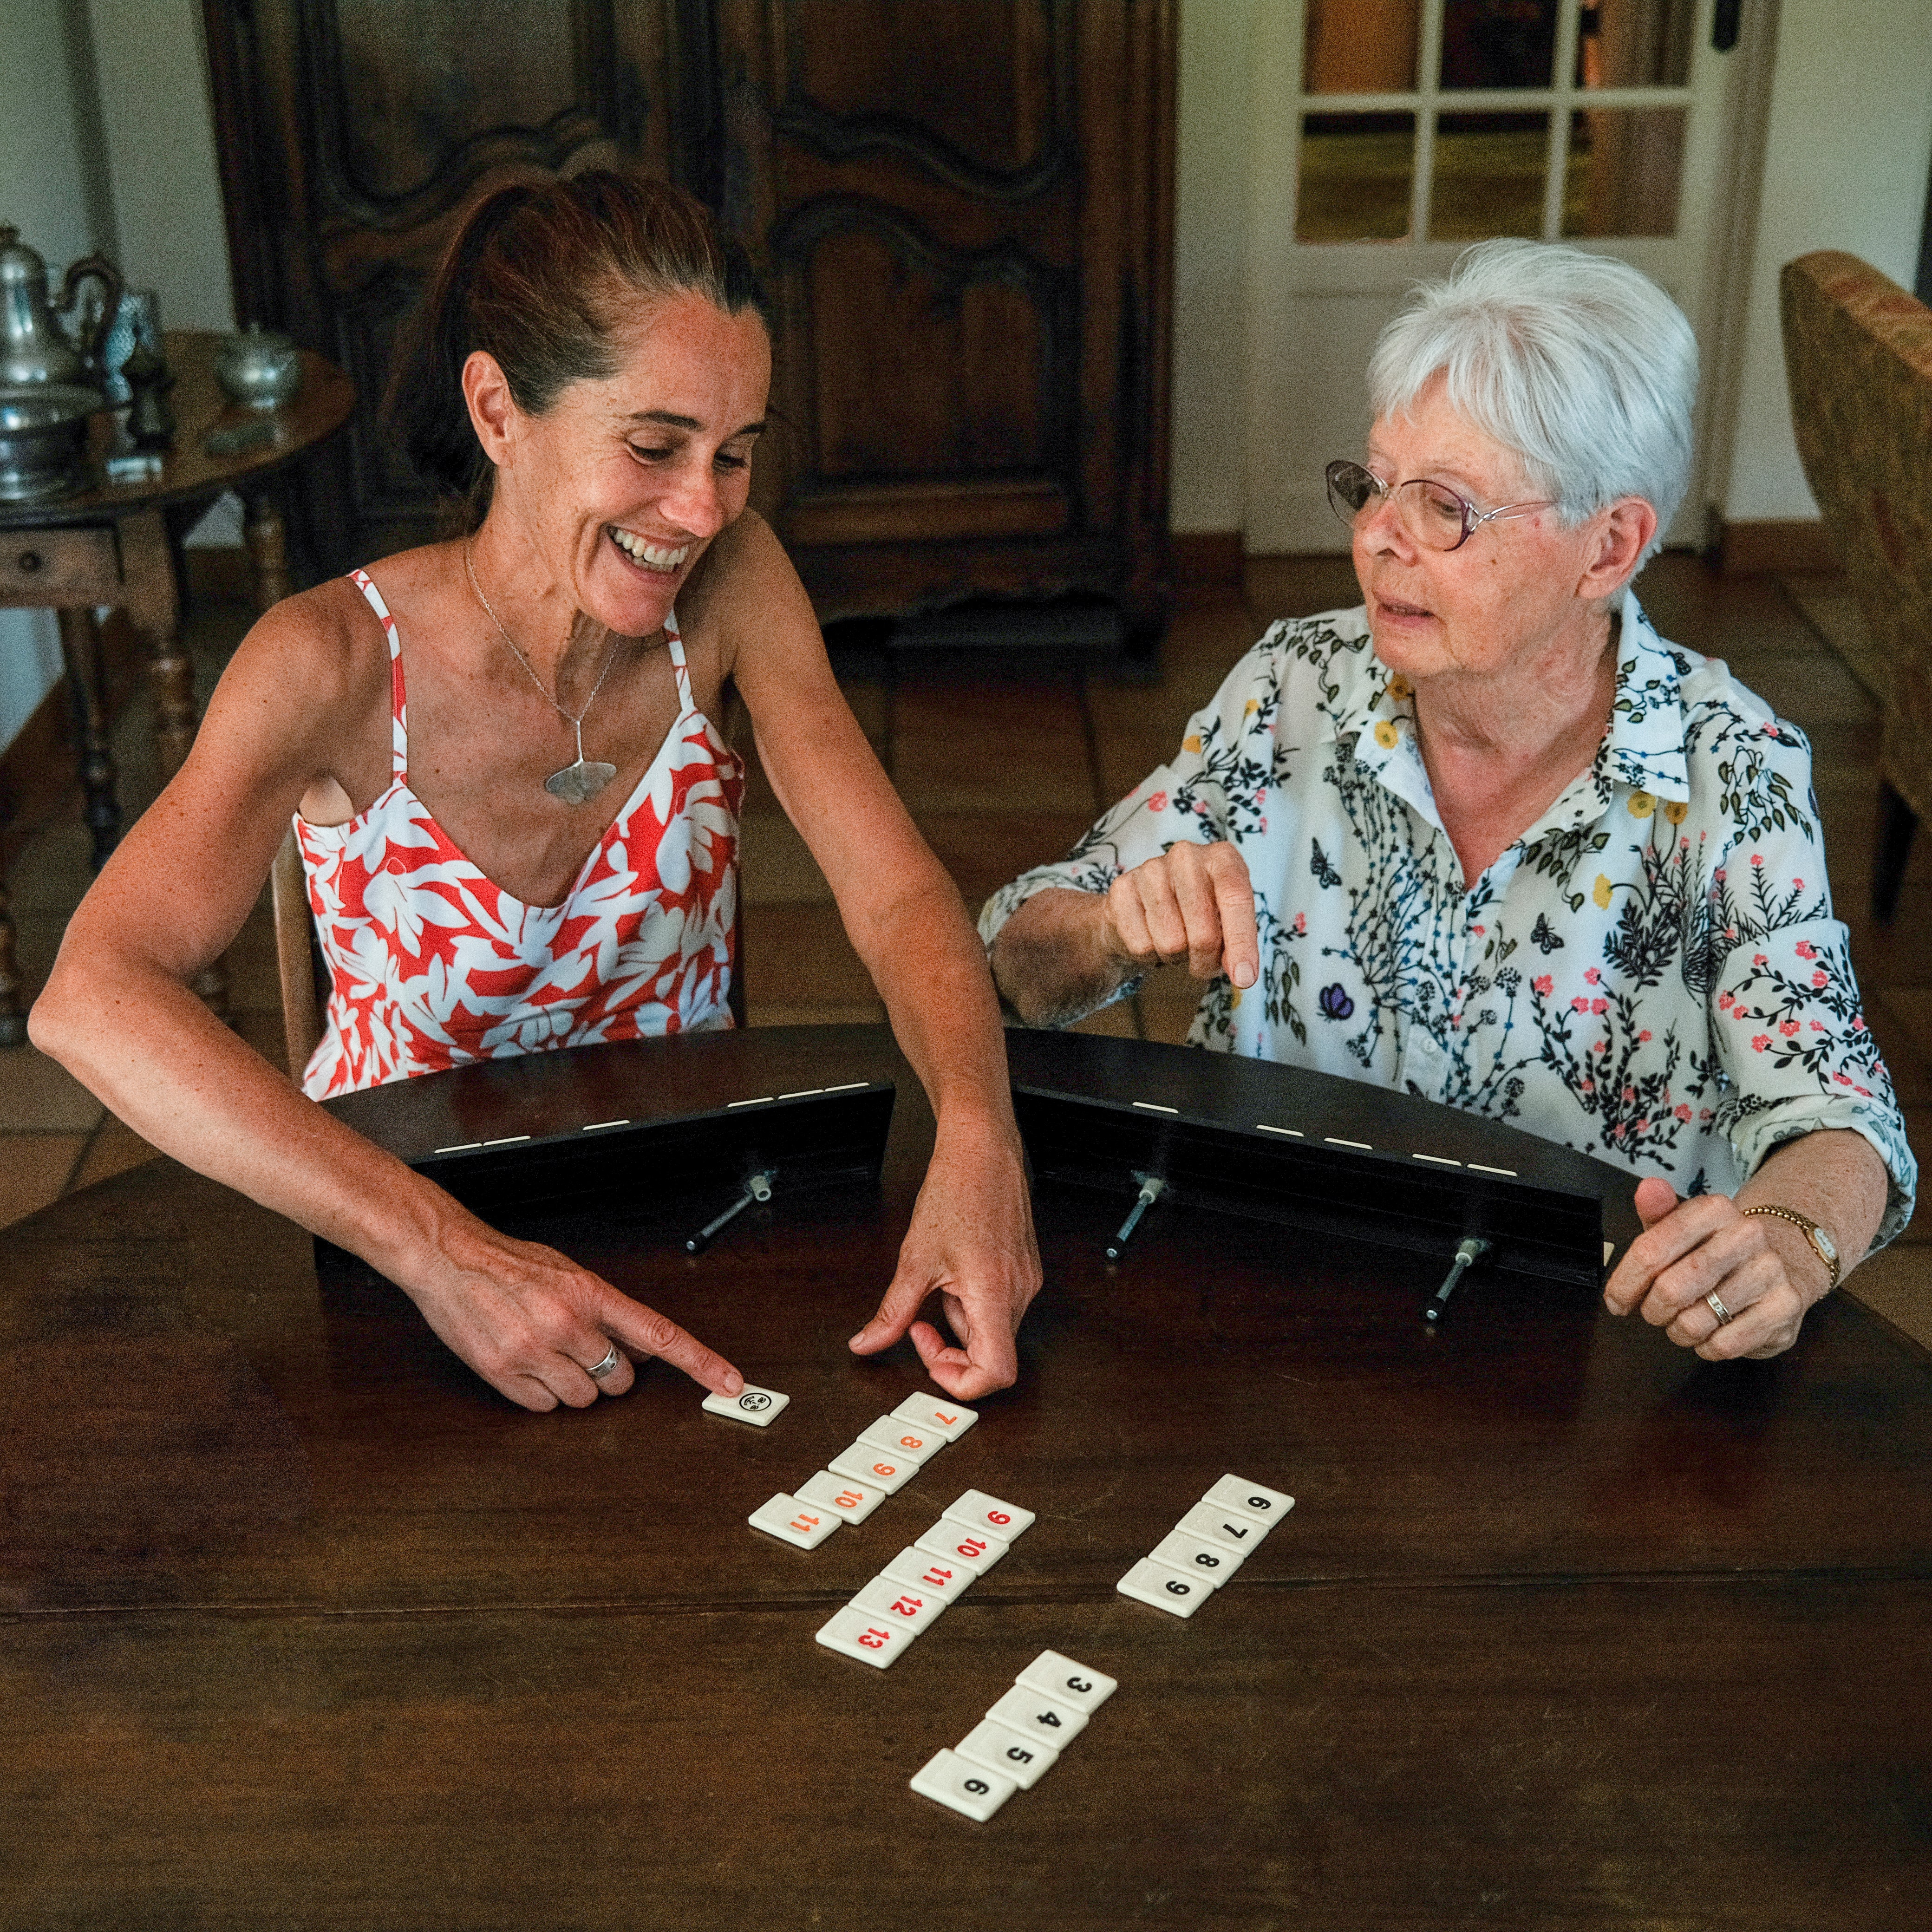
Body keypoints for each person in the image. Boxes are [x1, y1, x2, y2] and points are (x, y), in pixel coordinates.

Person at [31, 172, 1038, 1411]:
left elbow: (895, 900)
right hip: (399, 1255)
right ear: (499, 407)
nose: (701, 509)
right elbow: (91, 996)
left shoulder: (736, 586)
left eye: (736, 456)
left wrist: (981, 1149)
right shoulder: (329, 661)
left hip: (689, 1211)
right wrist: (442, 1253)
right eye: (656, 446)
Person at [983, 240, 1915, 1363]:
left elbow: (1841, 1124)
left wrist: (1786, 1242)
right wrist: (1106, 924)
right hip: (1267, 1313)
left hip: (1573, 1357)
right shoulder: (1295, 687)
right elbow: (1013, 968)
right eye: (1374, 486)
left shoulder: (1732, 772)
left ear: (1606, 545)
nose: (1376, 535)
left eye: (1446, 508)